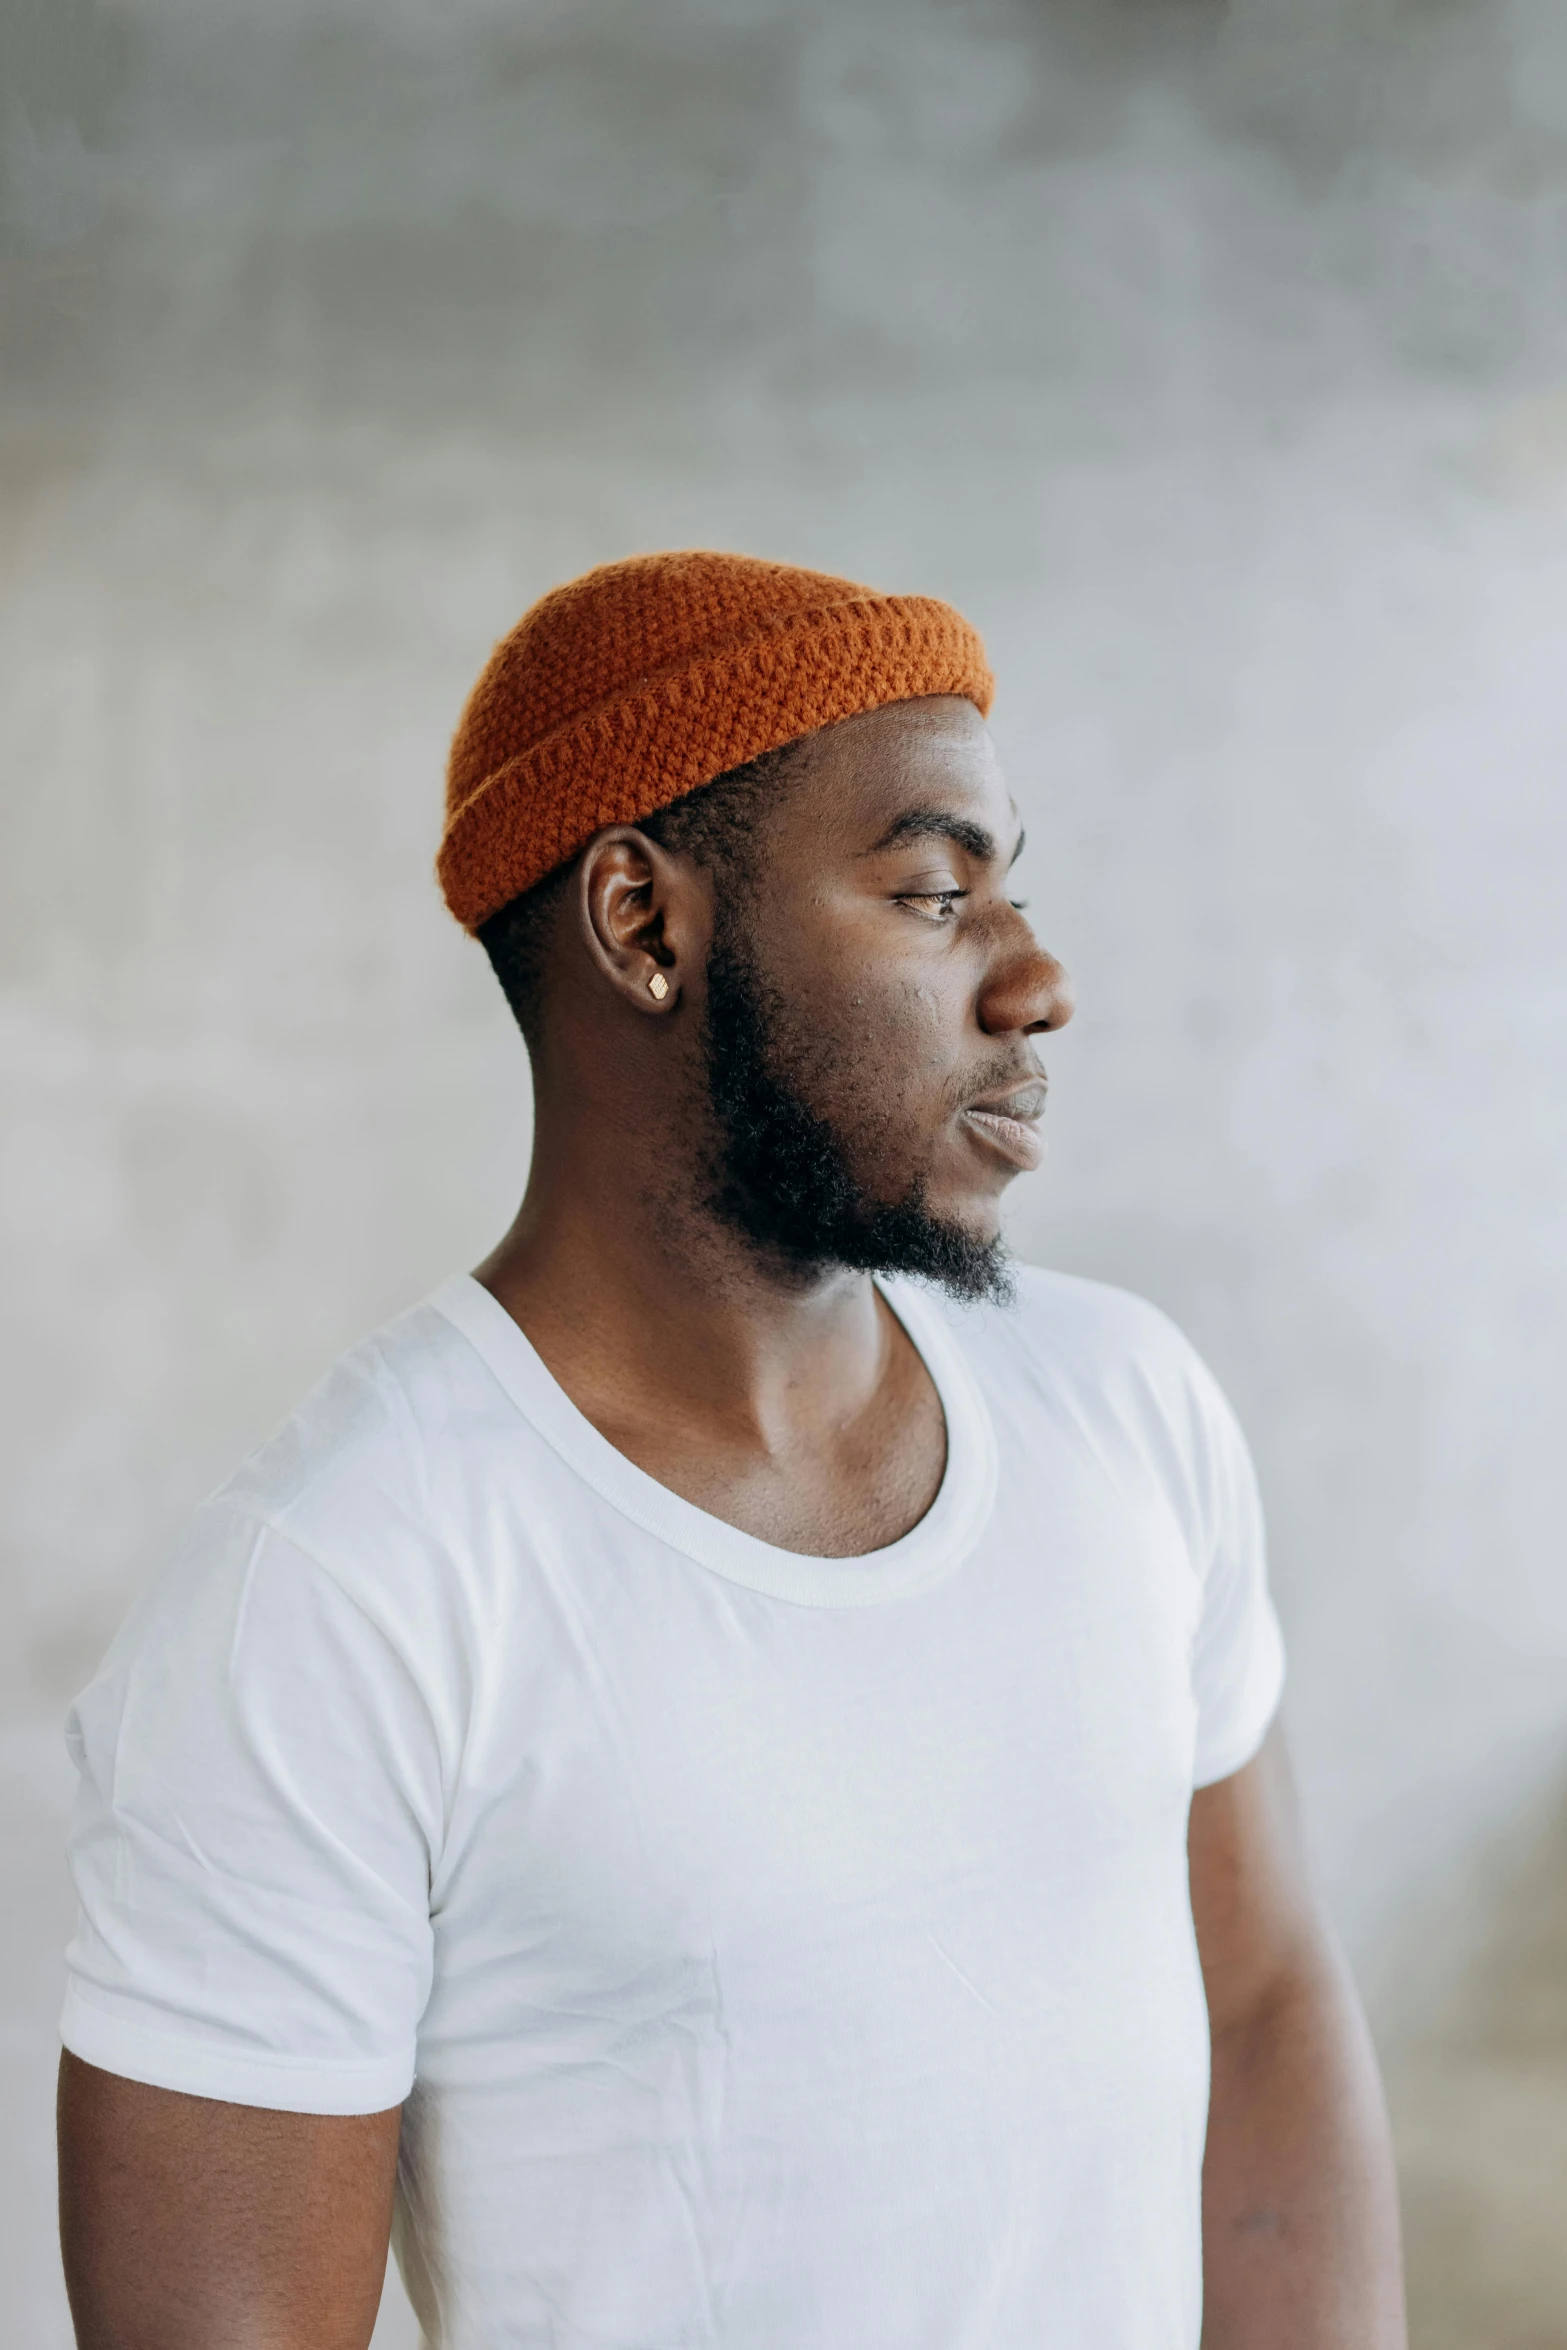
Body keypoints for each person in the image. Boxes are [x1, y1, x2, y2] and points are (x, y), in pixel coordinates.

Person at [56, 552, 1406, 2349]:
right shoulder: (337, 1591)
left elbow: (1256, 2000)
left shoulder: (1125, 1403)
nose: (1037, 980)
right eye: (935, 892)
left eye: (1013, 888)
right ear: (644, 924)